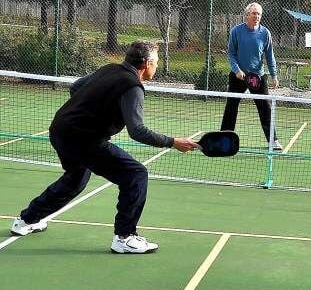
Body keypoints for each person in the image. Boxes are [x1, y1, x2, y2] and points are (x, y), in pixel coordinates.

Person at [9, 40, 199, 254]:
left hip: (60, 130)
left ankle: (26, 220)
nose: (157, 66)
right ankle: (125, 238)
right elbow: (137, 131)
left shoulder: (109, 69)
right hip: (84, 140)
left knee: (75, 178)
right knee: (135, 175)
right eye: (156, 62)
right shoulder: (132, 87)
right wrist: (173, 142)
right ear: (146, 63)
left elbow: (76, 87)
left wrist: (91, 110)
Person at [221, 2, 282, 150]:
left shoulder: (265, 33)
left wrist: (274, 75)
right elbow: (231, 53)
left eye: (259, 14)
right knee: (231, 107)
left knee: (265, 108)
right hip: (238, 76)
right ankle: (224, 140)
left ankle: (273, 141)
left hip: (258, 77)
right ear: (247, 15)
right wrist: (236, 70)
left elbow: (269, 55)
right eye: (254, 13)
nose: (257, 17)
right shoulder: (236, 31)